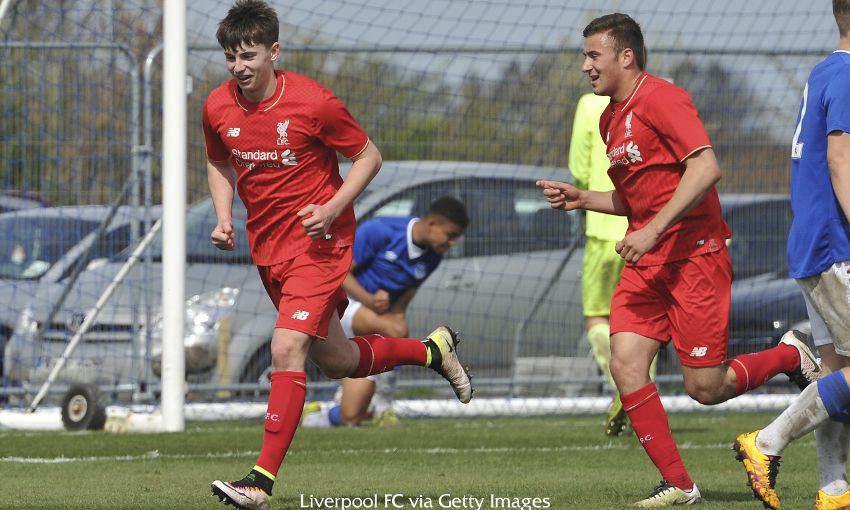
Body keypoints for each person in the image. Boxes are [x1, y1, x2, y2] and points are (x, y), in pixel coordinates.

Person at [537, 13, 821, 507]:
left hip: (695, 258)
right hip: (647, 262)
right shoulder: (609, 118)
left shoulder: (662, 98)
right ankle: (680, 485)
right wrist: (583, 197)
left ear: (626, 56)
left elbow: (705, 168)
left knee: (705, 388)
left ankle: (790, 355)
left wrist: (651, 230)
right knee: (626, 365)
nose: (585, 66)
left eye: (592, 55)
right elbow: (635, 199)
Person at [202, 2, 472, 509]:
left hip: (319, 247)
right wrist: (222, 216)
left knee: (286, 350)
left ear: (273, 52)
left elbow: (369, 156)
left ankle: (259, 482)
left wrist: (331, 208)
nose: (239, 66)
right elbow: (218, 160)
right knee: (341, 361)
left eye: (248, 56)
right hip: (269, 250)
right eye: (230, 57)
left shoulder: (312, 102)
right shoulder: (218, 105)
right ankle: (433, 352)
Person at [732, 2, 850, 509]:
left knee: (837, 371)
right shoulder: (846, 74)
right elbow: (840, 157)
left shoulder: (824, 70)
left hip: (813, 242)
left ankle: (833, 490)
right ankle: (766, 442)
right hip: (835, 247)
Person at [302, 196, 469, 428]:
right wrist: (370, 300)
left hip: (372, 319)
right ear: (432, 224)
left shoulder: (434, 255)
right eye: (450, 235)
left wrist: (392, 316)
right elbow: (339, 274)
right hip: (342, 306)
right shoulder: (380, 230)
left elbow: (402, 302)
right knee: (395, 329)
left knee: (350, 417)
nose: (452, 243)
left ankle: (318, 413)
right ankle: (384, 405)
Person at [570, 91, 659, 437]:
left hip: (601, 229)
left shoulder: (589, 104)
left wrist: (582, 198)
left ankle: (625, 385)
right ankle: (640, 385)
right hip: (644, 228)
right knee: (641, 318)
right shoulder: (654, 99)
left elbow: (579, 167)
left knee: (596, 314)